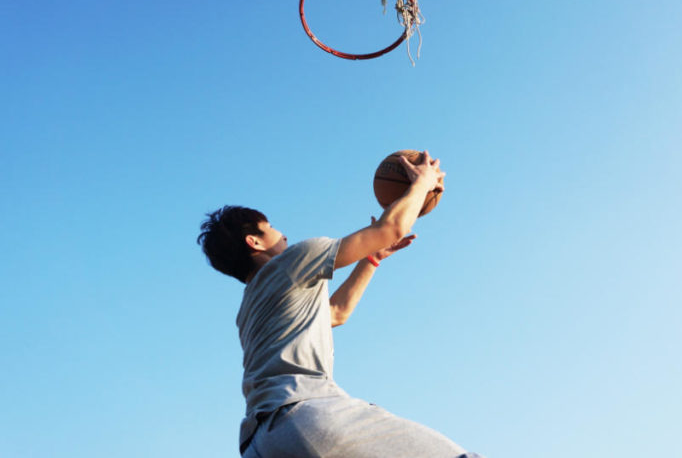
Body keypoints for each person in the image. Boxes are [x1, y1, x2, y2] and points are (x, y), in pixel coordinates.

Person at [197, 151, 485, 458]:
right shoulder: (294, 260)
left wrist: (372, 258)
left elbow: (336, 313)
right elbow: (391, 228)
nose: (284, 237)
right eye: (273, 230)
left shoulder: (250, 309)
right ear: (254, 242)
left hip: (261, 443)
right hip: (306, 415)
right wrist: (422, 183)